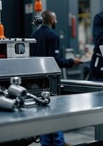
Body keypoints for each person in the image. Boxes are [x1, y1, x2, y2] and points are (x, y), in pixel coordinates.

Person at [30, 10, 82, 146]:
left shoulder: (34, 35)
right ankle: (57, 143)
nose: (56, 22)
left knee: (43, 111)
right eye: (56, 19)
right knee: (54, 112)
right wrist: (72, 62)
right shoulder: (52, 35)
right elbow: (55, 61)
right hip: (49, 80)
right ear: (52, 20)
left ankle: (50, 142)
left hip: (35, 81)